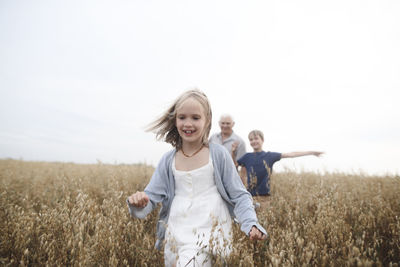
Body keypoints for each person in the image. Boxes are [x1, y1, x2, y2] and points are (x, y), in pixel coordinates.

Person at [127, 90, 266, 267]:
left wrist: (250, 223)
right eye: (182, 117)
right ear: (175, 120)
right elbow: (151, 196)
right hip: (176, 233)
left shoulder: (218, 155)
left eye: (195, 118)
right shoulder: (168, 160)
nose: (188, 123)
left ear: (207, 120)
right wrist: (139, 202)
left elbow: (239, 195)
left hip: (209, 233)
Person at [236, 130, 324, 197]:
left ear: (262, 140)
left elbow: (291, 154)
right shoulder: (247, 157)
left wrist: (312, 152)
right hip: (249, 197)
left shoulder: (269, 156)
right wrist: (233, 152)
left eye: (256, 138)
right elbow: (233, 167)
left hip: (265, 197)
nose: (254, 141)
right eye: (251, 139)